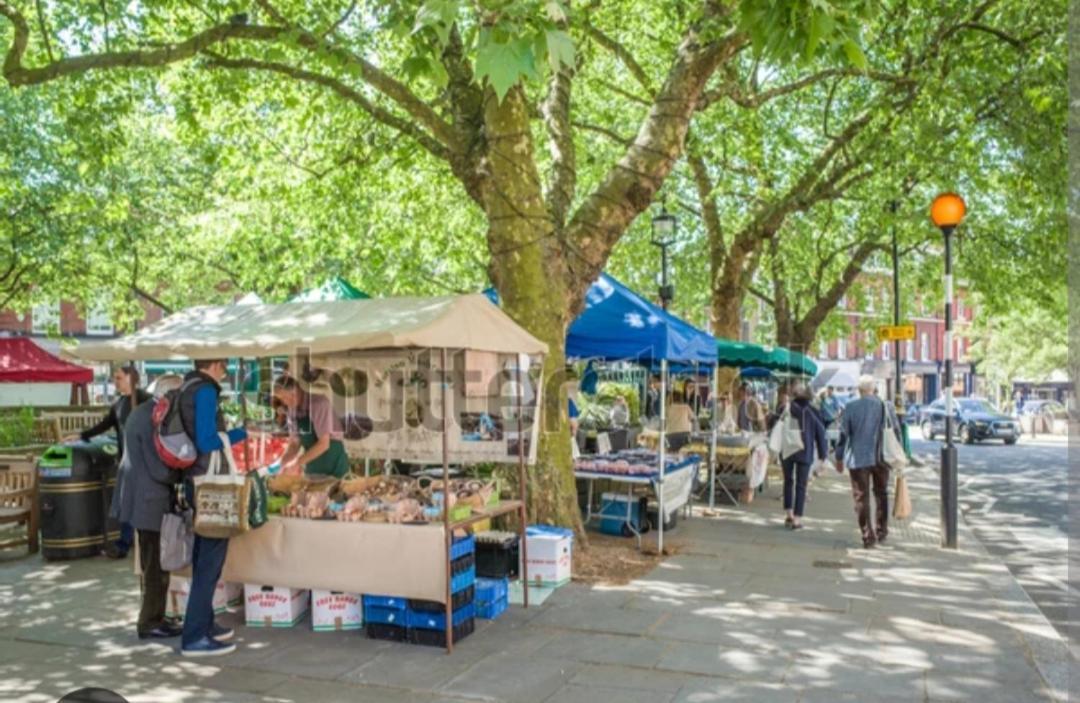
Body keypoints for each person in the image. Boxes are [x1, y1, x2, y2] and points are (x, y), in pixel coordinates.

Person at [180, 359, 247, 657]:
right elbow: (207, 440)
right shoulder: (205, 391)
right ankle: (194, 636)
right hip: (210, 485)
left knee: (202, 558)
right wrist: (240, 434)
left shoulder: (186, 387)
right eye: (224, 365)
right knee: (210, 561)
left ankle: (204, 623)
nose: (226, 370)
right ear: (215, 364)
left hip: (193, 479)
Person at [111, 374, 184, 640]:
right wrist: (180, 475)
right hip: (149, 498)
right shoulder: (155, 417)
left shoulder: (140, 412)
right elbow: (158, 467)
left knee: (150, 562)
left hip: (136, 494)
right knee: (156, 565)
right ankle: (150, 621)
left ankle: (155, 615)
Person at [76, 365, 151, 559]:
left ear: (131, 378)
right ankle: (124, 544)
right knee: (126, 503)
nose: (115, 381)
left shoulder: (145, 400)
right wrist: (81, 435)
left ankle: (132, 543)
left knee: (138, 504)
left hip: (144, 462)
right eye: (114, 378)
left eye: (118, 378)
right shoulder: (119, 405)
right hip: (126, 461)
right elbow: (105, 424)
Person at [835, 375, 902, 548]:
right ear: (873, 389)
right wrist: (898, 455)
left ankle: (867, 535)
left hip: (858, 459)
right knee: (881, 493)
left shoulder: (850, 407)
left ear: (859, 390)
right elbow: (896, 431)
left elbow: (843, 435)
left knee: (861, 497)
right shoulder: (886, 407)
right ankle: (882, 531)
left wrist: (839, 457)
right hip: (881, 457)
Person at [273, 376, 349, 478]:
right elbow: (294, 444)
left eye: (287, 396)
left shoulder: (319, 404)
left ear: (297, 389)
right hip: (312, 465)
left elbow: (324, 444)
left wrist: (297, 463)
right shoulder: (292, 411)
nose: (286, 402)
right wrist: (282, 464)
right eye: (282, 399)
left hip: (333, 463)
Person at [781, 383, 828, 530]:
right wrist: (823, 455)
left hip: (787, 450)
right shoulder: (813, 411)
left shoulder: (786, 408)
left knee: (788, 481)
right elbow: (821, 435)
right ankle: (797, 520)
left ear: (794, 394)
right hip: (805, 450)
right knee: (801, 485)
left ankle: (788, 513)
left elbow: (773, 425)